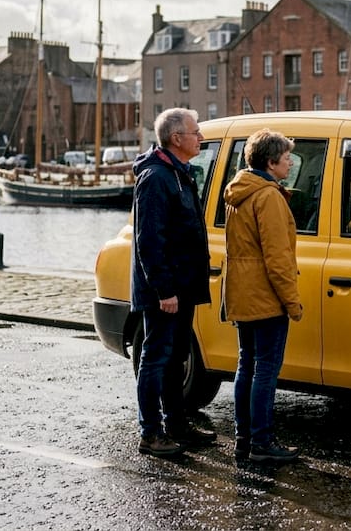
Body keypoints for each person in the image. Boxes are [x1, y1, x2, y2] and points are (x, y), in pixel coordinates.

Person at [130, 107, 216, 457]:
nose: (201, 138)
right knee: (156, 357)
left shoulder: (179, 173)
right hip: (165, 291)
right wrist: (164, 289)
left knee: (175, 356)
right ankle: (150, 433)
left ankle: (176, 425)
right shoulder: (156, 178)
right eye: (196, 133)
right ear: (176, 138)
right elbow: (149, 241)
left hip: (183, 285)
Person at [223, 128, 304, 463]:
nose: (290, 164)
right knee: (266, 370)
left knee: (247, 366)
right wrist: (292, 301)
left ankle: (245, 437)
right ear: (271, 162)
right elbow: (277, 257)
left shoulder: (240, 192)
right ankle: (262, 442)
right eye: (287, 159)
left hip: (242, 292)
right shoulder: (268, 196)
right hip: (266, 296)